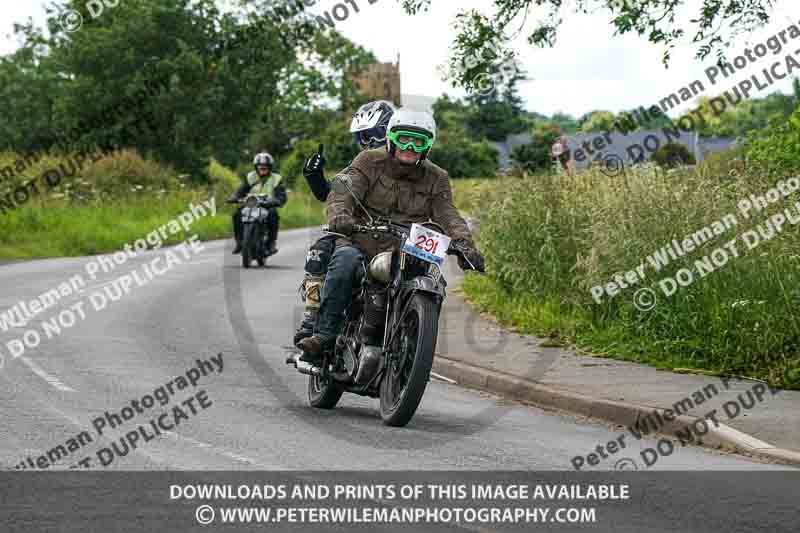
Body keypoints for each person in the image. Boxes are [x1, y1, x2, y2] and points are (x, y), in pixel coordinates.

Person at [297, 108, 486, 363]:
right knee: (344, 262)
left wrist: (465, 244)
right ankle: (324, 335)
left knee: (435, 280)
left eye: (418, 141)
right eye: (403, 138)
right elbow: (344, 192)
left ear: (428, 145)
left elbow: (449, 214)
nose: (409, 146)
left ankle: (413, 343)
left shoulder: (437, 177)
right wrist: (340, 216)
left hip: (407, 249)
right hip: (361, 239)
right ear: (390, 137)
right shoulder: (368, 160)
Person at [293, 100, 396, 345]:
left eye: (376, 135)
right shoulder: (358, 167)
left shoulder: (412, 164)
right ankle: (311, 317)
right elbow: (334, 192)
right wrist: (315, 178)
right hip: (358, 235)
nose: (370, 143)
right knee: (321, 249)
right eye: (363, 137)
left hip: (396, 242)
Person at [228, 152, 287, 255]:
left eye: (265, 167)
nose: (263, 168)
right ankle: (239, 242)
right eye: (260, 167)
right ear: (256, 167)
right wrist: (234, 197)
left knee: (273, 215)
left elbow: (281, 194)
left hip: (267, 205)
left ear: (270, 167)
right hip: (251, 204)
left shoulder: (276, 178)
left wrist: (278, 200)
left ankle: (271, 243)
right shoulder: (251, 177)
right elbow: (241, 191)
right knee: (237, 215)